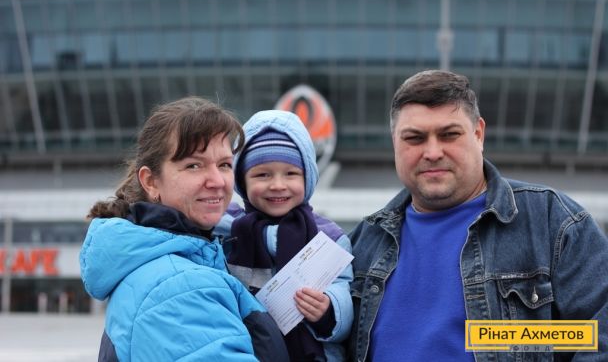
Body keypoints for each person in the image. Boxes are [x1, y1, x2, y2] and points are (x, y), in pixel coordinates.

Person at [347, 70, 608, 361]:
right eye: (415, 138)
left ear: (479, 134)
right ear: (395, 143)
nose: (432, 152)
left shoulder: (553, 222)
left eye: (449, 135)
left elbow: (597, 338)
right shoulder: (361, 244)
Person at [79, 97, 288, 361]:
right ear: (151, 181)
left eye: (224, 164)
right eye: (194, 165)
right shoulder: (179, 288)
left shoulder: (175, 261)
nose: (217, 181)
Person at [218, 109, 353, 361]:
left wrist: (329, 308)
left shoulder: (328, 237)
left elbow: (343, 289)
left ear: (308, 177)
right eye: (262, 174)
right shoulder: (225, 231)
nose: (278, 185)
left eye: (291, 173)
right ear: (242, 181)